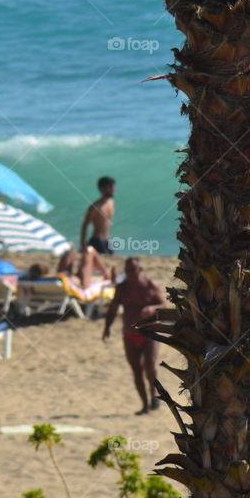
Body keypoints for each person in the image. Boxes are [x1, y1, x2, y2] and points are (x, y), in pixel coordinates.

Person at [102, 257, 166, 415]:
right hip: (130, 334)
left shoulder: (150, 285)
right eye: (127, 270)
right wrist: (107, 328)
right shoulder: (122, 288)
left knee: (150, 367)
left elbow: (163, 305)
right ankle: (145, 406)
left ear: (140, 270)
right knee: (136, 370)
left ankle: (154, 394)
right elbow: (113, 308)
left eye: (133, 270)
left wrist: (151, 309)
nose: (130, 273)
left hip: (149, 332)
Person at [80, 176, 116, 255]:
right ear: (102, 189)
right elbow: (85, 225)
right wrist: (83, 244)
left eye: (113, 186)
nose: (113, 189)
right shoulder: (95, 208)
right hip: (97, 241)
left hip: (107, 240)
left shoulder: (111, 202)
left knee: (111, 256)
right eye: (110, 187)